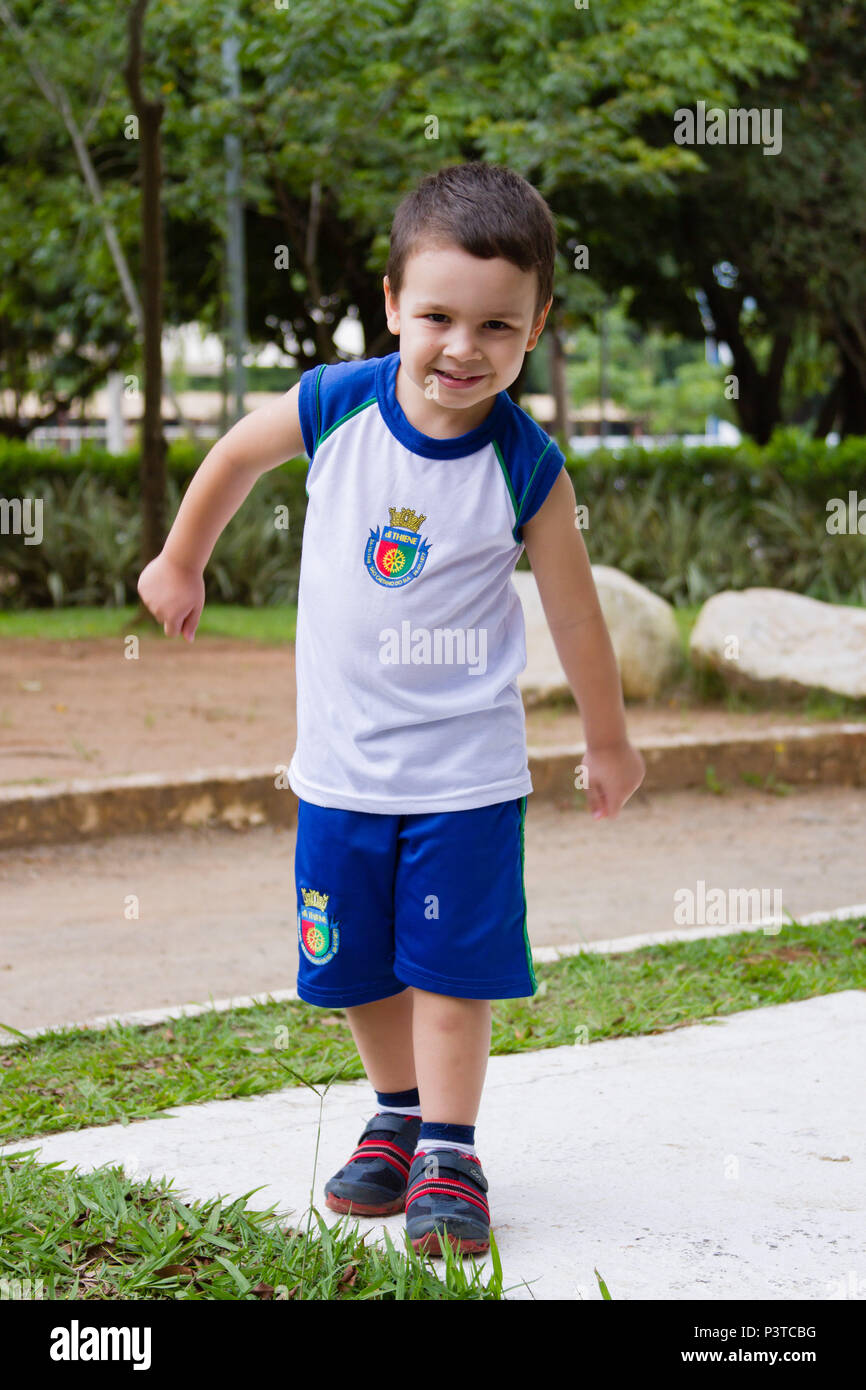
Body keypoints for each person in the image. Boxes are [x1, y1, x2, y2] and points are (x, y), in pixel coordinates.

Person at [137, 161, 645, 1261]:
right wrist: (182, 562)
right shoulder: (334, 405)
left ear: (536, 328)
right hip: (337, 772)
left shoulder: (526, 464)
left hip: (463, 780)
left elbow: (573, 610)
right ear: (389, 306)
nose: (462, 347)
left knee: (450, 971)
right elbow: (230, 456)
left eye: (496, 327)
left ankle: (451, 1150)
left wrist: (605, 740)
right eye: (436, 317)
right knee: (356, 964)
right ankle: (398, 1112)